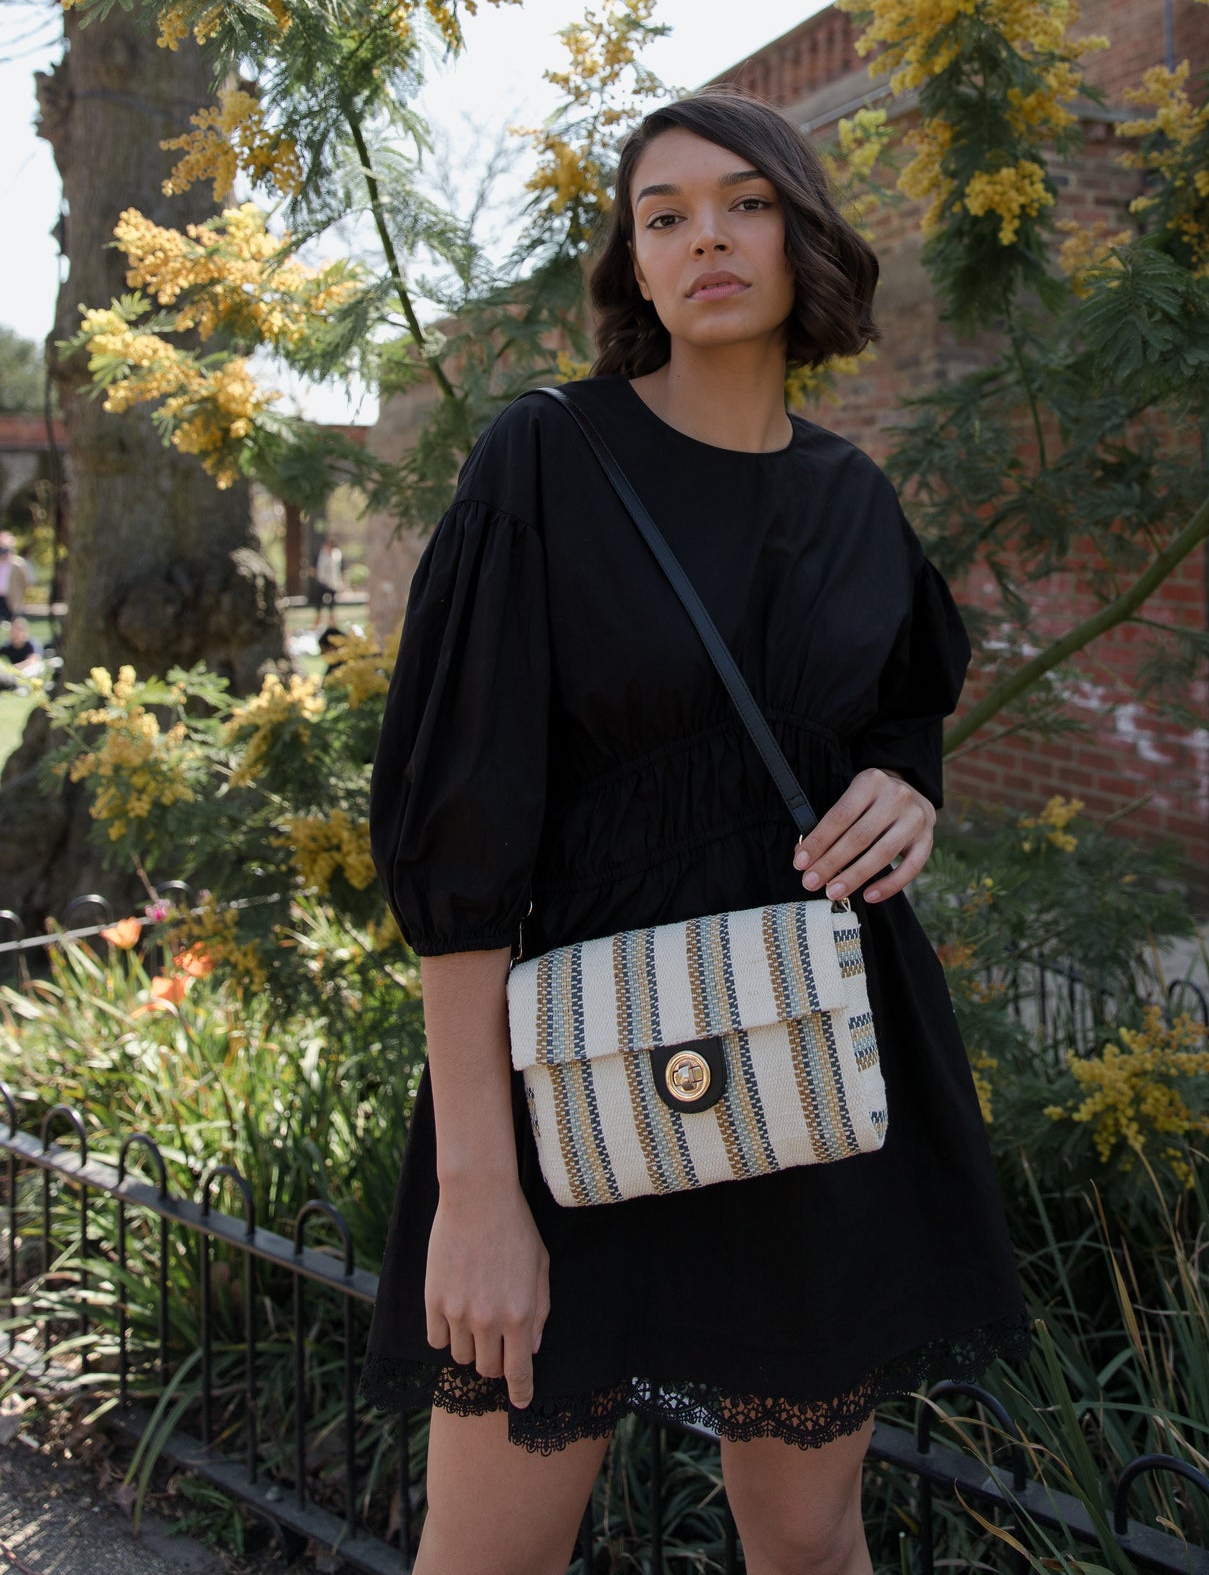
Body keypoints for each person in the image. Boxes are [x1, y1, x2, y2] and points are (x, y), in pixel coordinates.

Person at [360, 91, 1029, 1575]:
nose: (704, 236)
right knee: (488, 1558)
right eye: (662, 215)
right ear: (634, 267)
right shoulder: (544, 463)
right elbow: (460, 853)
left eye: (743, 202)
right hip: (576, 1076)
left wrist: (906, 784)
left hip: (813, 1053)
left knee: (809, 1541)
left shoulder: (854, 499)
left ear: (803, 236)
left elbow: (903, 702)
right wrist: (478, 1195)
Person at [0, 613, 42, 692]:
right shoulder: (8, 646)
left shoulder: (31, 644)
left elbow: (34, 660)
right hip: (16, 673)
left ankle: (24, 687)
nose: (13, 634)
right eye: (12, 631)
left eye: (16, 631)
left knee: (35, 667)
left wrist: (17, 667)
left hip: (29, 671)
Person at [0, 533, 33, 621]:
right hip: (0, 596)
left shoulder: (18, 563)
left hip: (12, 596)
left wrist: (21, 595)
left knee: (12, 620)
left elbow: (26, 581)